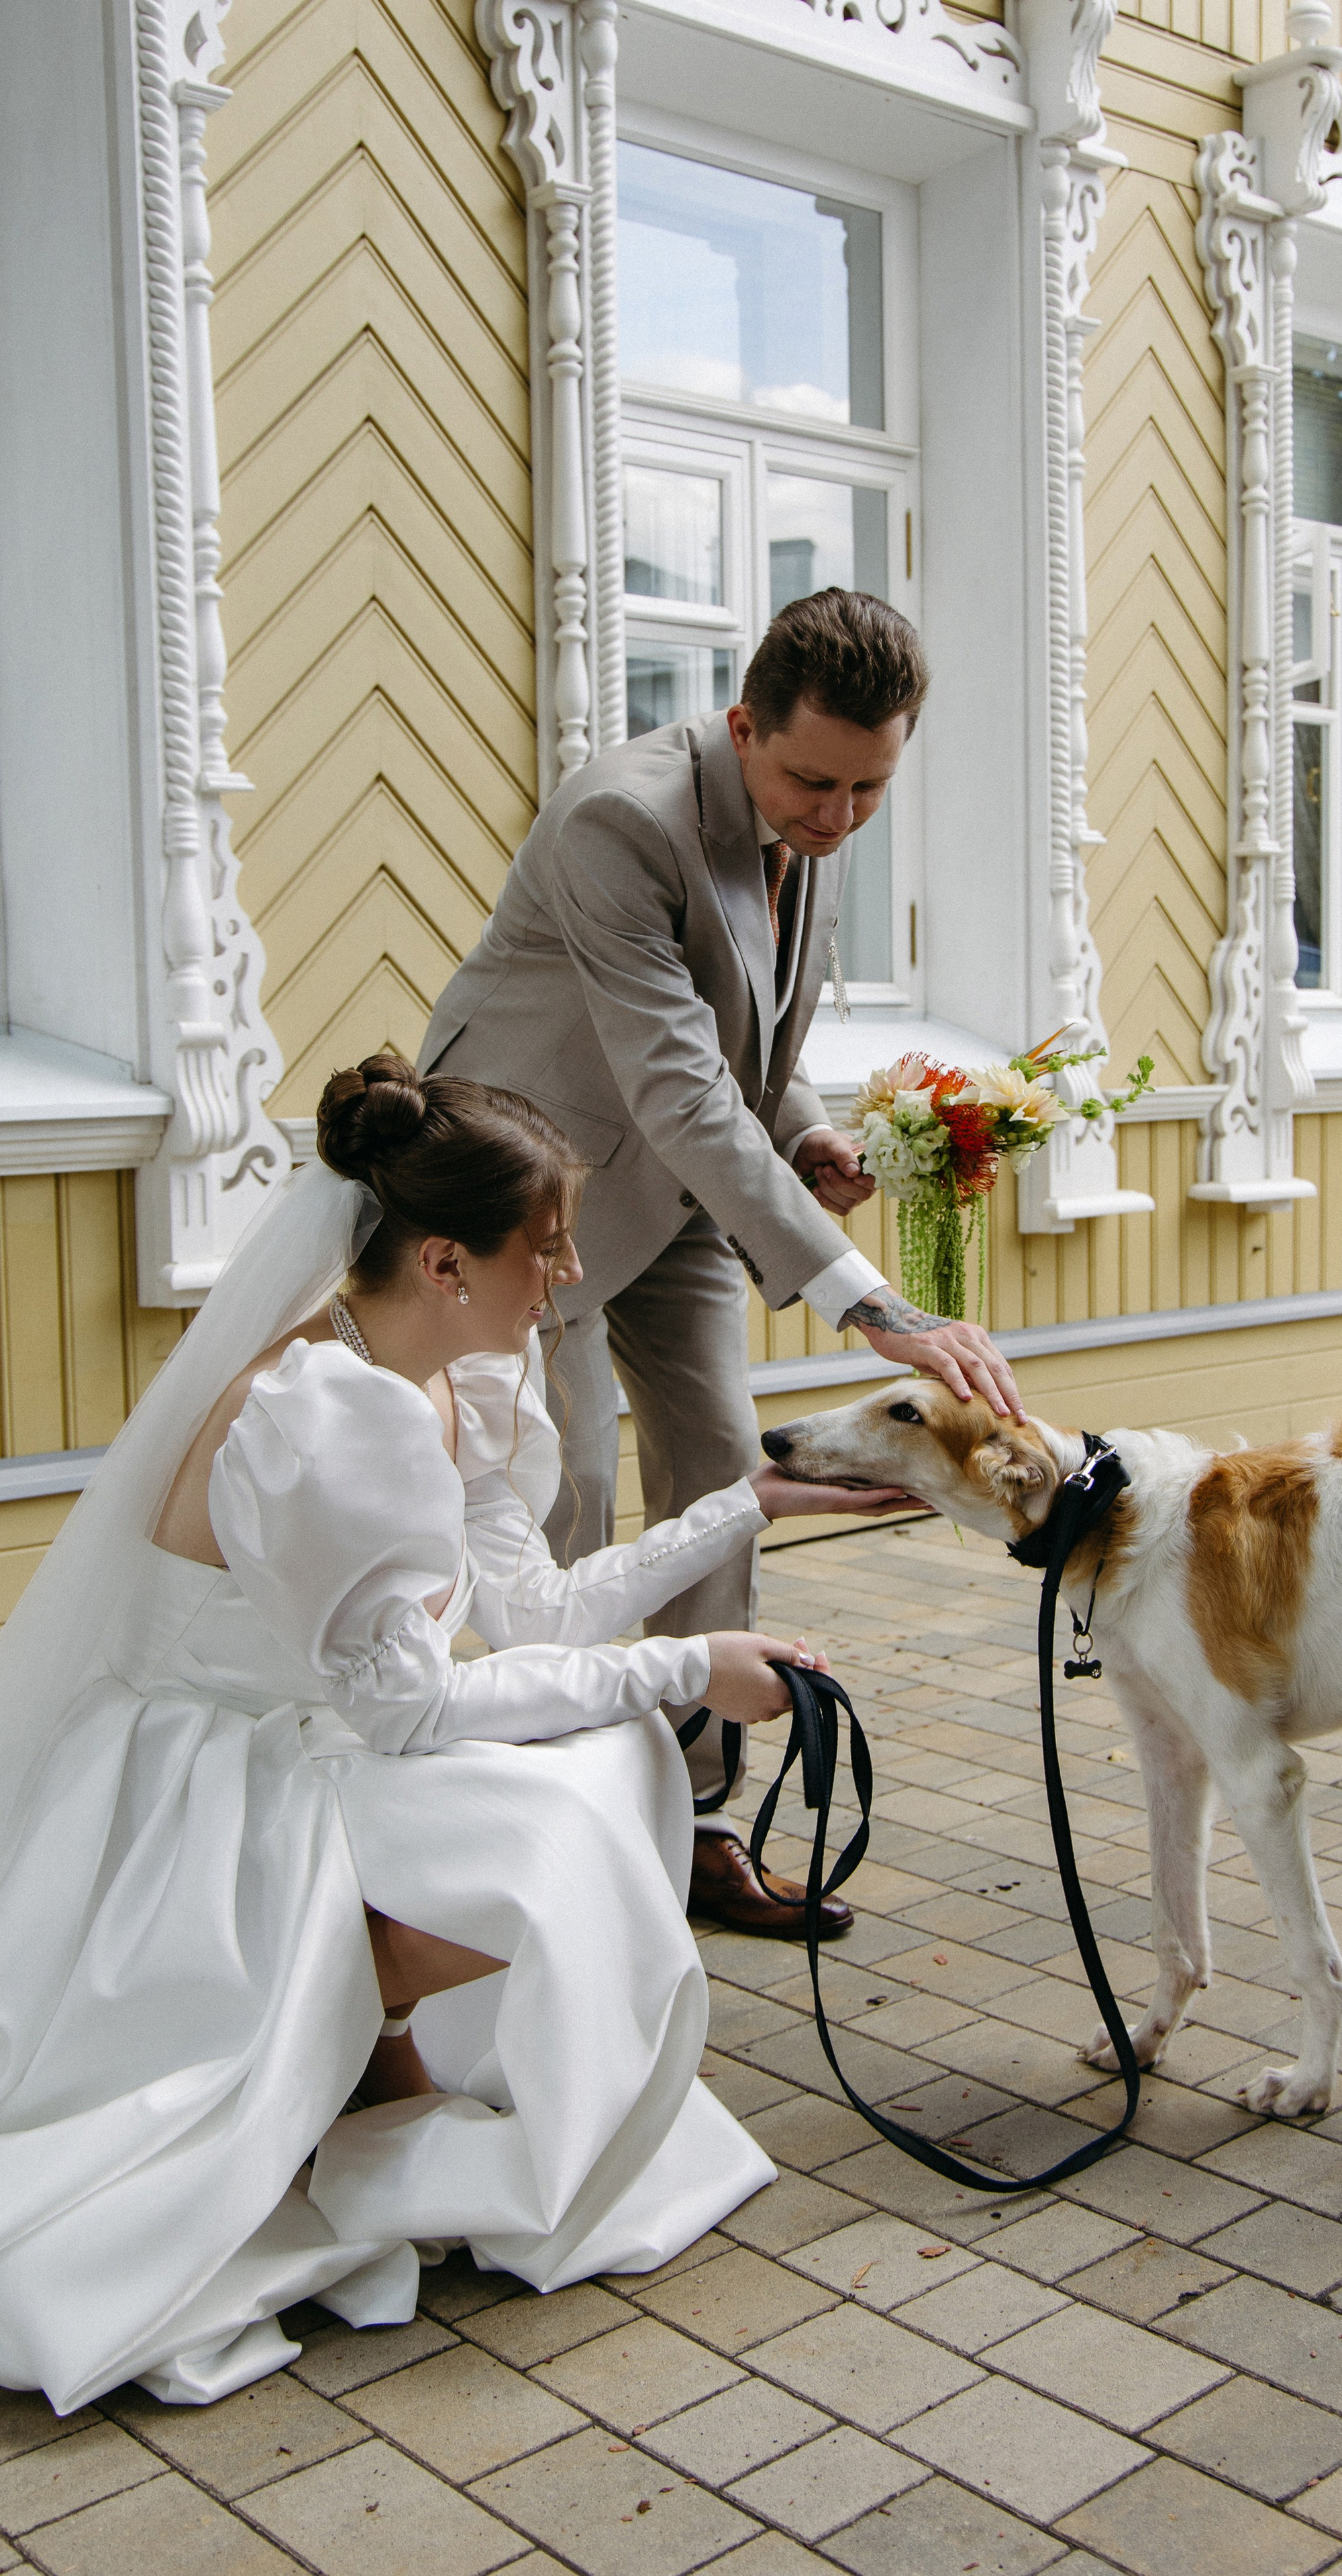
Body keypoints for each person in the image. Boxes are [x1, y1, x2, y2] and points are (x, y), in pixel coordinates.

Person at [0, 1057, 913, 2416]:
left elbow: (535, 1617)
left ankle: (373, 2061)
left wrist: (743, 1509)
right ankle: (341, 2056)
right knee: (559, 1822)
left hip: (320, 1738)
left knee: (607, 1755)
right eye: (540, 1254)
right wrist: (690, 1668)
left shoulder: (442, 1378)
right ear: (441, 1260)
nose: (560, 1281)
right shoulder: (327, 1415)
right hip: (216, 1777)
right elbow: (411, 1708)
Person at [421, 590, 1023, 1933]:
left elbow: (748, 1046)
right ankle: (539, 1822)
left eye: (870, 788)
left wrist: (804, 1135)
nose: (836, 816)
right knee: (558, 1500)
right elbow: (681, 1084)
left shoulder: (808, 814)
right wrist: (865, 1297)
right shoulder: (616, 821)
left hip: (684, 1200)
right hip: (531, 1205)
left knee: (723, 1477)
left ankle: (688, 1822)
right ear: (742, 724)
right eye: (813, 781)